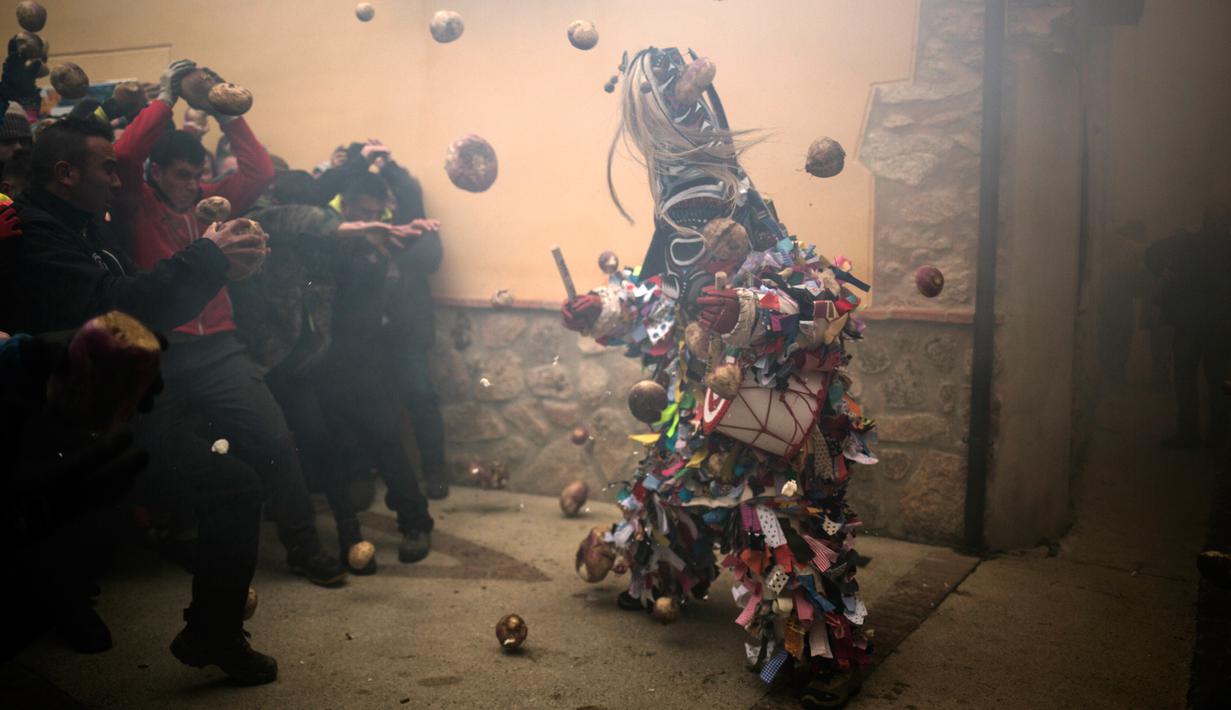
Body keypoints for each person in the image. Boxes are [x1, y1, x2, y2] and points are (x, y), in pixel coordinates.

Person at [560, 47, 874, 709]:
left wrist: (748, 311)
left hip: (769, 396)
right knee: (670, 480)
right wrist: (606, 306)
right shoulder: (680, 218)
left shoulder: (759, 226)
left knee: (777, 514)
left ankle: (813, 649)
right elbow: (664, 295)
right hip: (701, 393)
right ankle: (660, 578)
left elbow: (821, 305)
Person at [0, 114, 278, 684]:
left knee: (234, 486)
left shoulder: (85, 224)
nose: (118, 177)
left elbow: (140, 306)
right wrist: (209, 257)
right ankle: (65, 605)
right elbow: (114, 304)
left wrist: (217, 264)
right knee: (72, 531)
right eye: (107, 166)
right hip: (55, 429)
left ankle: (214, 631)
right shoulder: (30, 234)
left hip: (108, 414)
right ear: (64, 173)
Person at [112, 59, 346, 586]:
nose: (193, 185)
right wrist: (167, 98)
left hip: (219, 350)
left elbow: (258, 172)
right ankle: (174, 535)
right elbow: (125, 154)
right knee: (162, 452)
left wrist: (226, 108)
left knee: (274, 439)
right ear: (158, 174)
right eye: (182, 176)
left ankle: (303, 546)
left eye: (199, 175)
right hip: (159, 353)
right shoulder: (138, 205)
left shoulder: (211, 206)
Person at [232, 170, 439, 571]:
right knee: (320, 448)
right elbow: (292, 220)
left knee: (385, 439)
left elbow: (358, 269)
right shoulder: (269, 231)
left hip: (353, 360)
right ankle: (347, 535)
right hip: (296, 366)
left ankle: (415, 523)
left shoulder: (344, 244)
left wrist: (375, 242)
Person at [316, 140, 450, 500]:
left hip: (405, 331)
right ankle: (361, 477)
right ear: (346, 207)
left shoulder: (407, 220)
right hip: (363, 338)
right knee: (361, 408)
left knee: (420, 395)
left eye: (378, 210)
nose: (371, 218)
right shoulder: (340, 233)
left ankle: (434, 471)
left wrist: (386, 247)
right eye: (362, 212)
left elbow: (430, 257)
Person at [1147, 207, 1231, 449]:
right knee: (1217, 381)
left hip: (1189, 324)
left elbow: (1151, 253)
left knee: (1186, 379)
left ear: (1204, 223)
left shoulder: (1187, 243)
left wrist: (1166, 272)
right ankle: (1218, 435)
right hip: (1220, 326)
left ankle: (1189, 433)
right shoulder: (1226, 248)